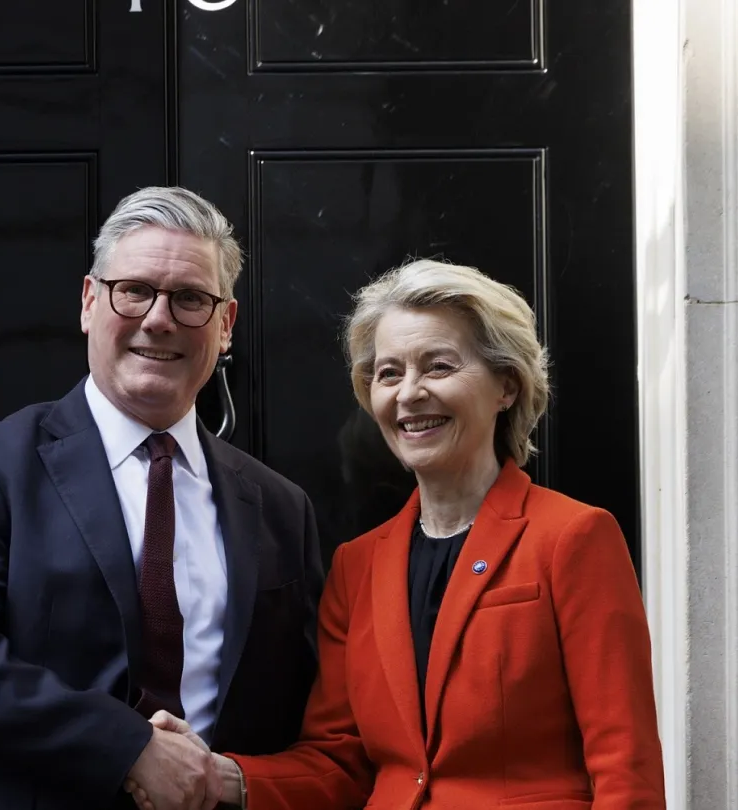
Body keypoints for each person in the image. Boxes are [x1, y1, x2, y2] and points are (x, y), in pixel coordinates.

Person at [132, 259, 665, 809]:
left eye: (438, 367)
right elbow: (339, 762)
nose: (409, 394)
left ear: (506, 384)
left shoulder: (574, 537)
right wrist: (217, 776)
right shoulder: (356, 567)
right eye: (388, 373)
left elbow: (626, 766)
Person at [0, 187, 326, 810]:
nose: (159, 318)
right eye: (135, 290)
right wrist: (128, 748)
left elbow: (303, 710)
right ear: (90, 302)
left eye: (190, 299)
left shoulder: (282, 508)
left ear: (225, 325)